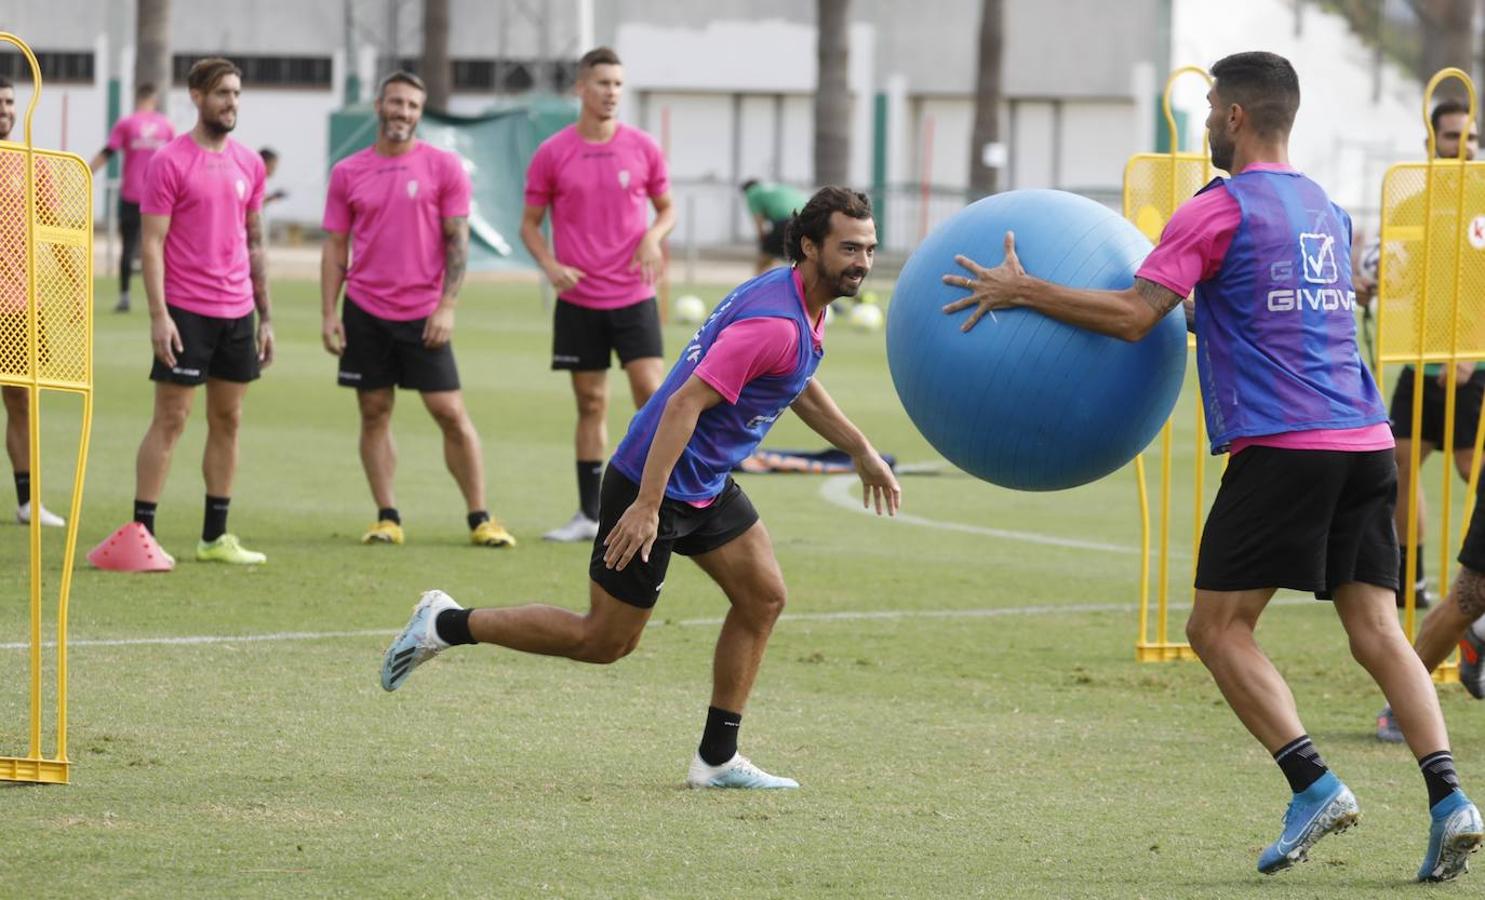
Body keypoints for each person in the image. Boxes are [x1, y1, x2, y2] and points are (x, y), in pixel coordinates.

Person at [941, 51, 1482, 882]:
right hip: (1367, 440)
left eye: (1208, 116)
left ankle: (1313, 784)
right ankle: (1452, 802)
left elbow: (1132, 315)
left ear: (1232, 117)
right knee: (1375, 630)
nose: (1203, 131)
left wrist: (1024, 292)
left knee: (1215, 628)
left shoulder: (1215, 207)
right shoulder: (1327, 212)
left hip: (1286, 449)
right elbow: (1258, 314)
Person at [381, 187, 900, 790]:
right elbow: (683, 403)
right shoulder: (775, 322)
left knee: (763, 597)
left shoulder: (803, 303)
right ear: (810, 246)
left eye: (868, 248)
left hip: (702, 480)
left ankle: (716, 759)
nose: (861, 261)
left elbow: (794, 380)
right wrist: (648, 506)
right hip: (655, 481)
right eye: (848, 248)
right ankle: (445, 623)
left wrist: (860, 449)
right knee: (602, 640)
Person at [321, 71, 514, 548]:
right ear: (378, 106)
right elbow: (335, 249)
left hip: (424, 312)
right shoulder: (348, 172)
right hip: (365, 310)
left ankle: (481, 517)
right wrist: (330, 312)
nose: (402, 112)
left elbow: (458, 240)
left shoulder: (443, 167)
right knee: (373, 411)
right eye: (395, 103)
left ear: (419, 112)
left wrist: (447, 306)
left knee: (449, 411)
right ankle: (387, 516)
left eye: (411, 105)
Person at [111, 57, 272, 566]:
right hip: (186, 311)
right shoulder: (169, 162)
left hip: (238, 311)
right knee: (172, 419)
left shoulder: (250, 163)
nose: (231, 103)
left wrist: (265, 317)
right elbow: (152, 246)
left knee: (229, 419)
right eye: (223, 93)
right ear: (197, 97)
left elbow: (256, 242)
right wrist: (159, 316)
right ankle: (143, 533)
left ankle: (214, 537)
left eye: (237, 94)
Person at [520, 47, 675, 543]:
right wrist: (549, 265)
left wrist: (653, 236)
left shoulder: (643, 147)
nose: (611, 93)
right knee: (590, 403)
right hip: (579, 300)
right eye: (603, 83)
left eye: (617, 84)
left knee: (653, 396)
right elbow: (529, 225)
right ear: (581, 89)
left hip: (633, 295)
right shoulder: (553, 152)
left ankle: (661, 505)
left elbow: (667, 209)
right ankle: (589, 514)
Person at [1367, 100, 1485, 742]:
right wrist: (1376, 282)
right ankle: (1410, 573)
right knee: (1397, 465)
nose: (1460, 146)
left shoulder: (1483, 198)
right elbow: (1401, 273)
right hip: (1419, 360)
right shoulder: (1412, 201)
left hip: (1471, 365)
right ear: (1431, 139)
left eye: (1469, 137)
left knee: (1471, 467)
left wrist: (1469, 346)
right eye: (1450, 136)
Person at [0, 75, 66, 528]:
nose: (4, 109)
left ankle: (28, 503)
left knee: (21, 402)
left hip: (21, 305)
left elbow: (56, 226)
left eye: (9, 101)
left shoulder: (29, 162)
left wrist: (74, 282)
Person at [89, 83, 175, 313]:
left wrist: (85, 172)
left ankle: (125, 296)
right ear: (154, 99)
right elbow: (177, 157)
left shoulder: (127, 123)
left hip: (131, 195)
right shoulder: (165, 125)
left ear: (137, 98)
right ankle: (167, 298)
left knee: (128, 247)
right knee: (163, 248)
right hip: (160, 197)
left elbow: (109, 151)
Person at [741, 179, 811, 274]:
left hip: (786, 221)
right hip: (805, 220)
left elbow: (759, 224)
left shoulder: (752, 193)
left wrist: (763, 242)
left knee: (765, 256)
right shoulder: (777, 188)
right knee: (800, 257)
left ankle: (757, 284)